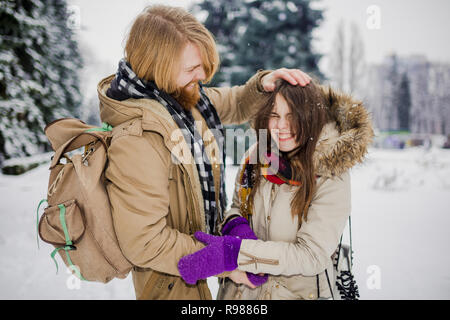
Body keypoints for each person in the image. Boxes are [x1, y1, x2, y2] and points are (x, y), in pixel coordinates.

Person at [97, 5, 312, 300]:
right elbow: (144, 241)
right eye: (191, 68)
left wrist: (262, 86)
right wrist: (224, 259)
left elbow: (234, 103)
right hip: (168, 282)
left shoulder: (183, 99)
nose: (202, 75)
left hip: (194, 265)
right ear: (158, 66)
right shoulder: (138, 139)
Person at [177, 79, 374, 300]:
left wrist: (236, 253)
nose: (281, 126)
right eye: (275, 115)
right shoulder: (257, 155)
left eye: (293, 116)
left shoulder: (330, 173)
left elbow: (311, 255)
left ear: (311, 117)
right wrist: (237, 227)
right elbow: (236, 208)